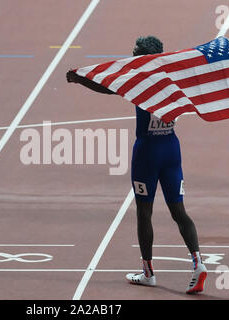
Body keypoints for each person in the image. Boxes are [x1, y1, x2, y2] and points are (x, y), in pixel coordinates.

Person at [66, 35, 207, 294]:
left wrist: (79, 79)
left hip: (147, 153)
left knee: (145, 213)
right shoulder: (173, 77)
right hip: (171, 149)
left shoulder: (138, 78)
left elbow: (109, 87)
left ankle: (148, 272)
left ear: (142, 57)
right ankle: (198, 262)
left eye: (134, 54)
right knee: (179, 212)